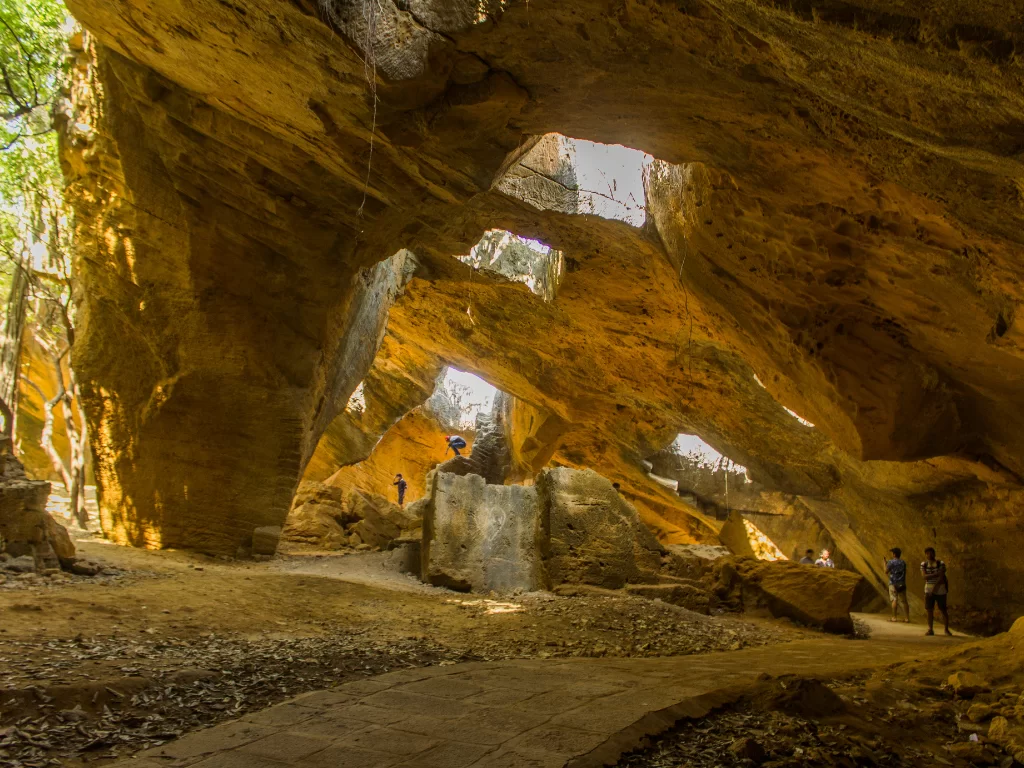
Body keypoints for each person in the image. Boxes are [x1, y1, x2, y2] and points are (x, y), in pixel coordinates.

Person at [921, 547, 952, 637]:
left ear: (934, 553)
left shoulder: (940, 563)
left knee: (943, 609)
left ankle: (946, 629)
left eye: (930, 553)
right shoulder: (924, 564)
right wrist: (936, 574)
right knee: (929, 610)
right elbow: (924, 576)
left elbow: (941, 578)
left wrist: (934, 589)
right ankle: (930, 629)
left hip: (940, 590)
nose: (929, 555)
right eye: (927, 553)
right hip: (928, 590)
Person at [884, 547, 909, 623]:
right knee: (904, 601)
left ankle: (894, 617)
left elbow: (886, 571)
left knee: (894, 599)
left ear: (894, 554)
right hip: (901, 583)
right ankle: (907, 618)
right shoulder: (903, 562)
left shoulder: (891, 562)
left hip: (893, 583)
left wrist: (885, 563)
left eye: (892, 553)